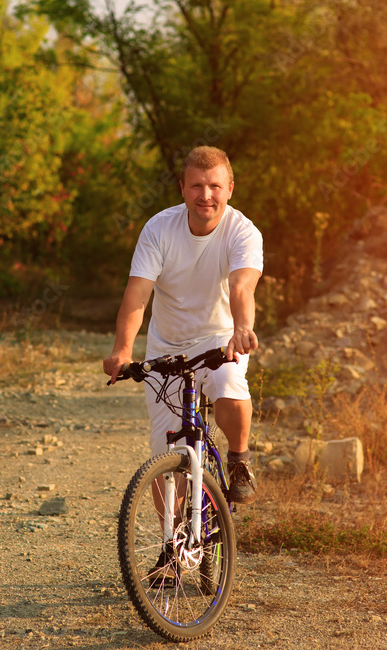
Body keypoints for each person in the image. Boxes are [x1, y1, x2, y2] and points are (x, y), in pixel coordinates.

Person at [103, 145, 263, 504]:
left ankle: (239, 460)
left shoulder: (243, 233)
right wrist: (123, 350)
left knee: (228, 382)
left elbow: (241, 286)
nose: (205, 195)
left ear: (230, 188)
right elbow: (138, 293)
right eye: (196, 186)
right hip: (167, 347)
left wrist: (241, 328)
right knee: (164, 455)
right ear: (182, 187)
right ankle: (172, 550)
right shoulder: (159, 228)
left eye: (215, 186)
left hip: (221, 340)